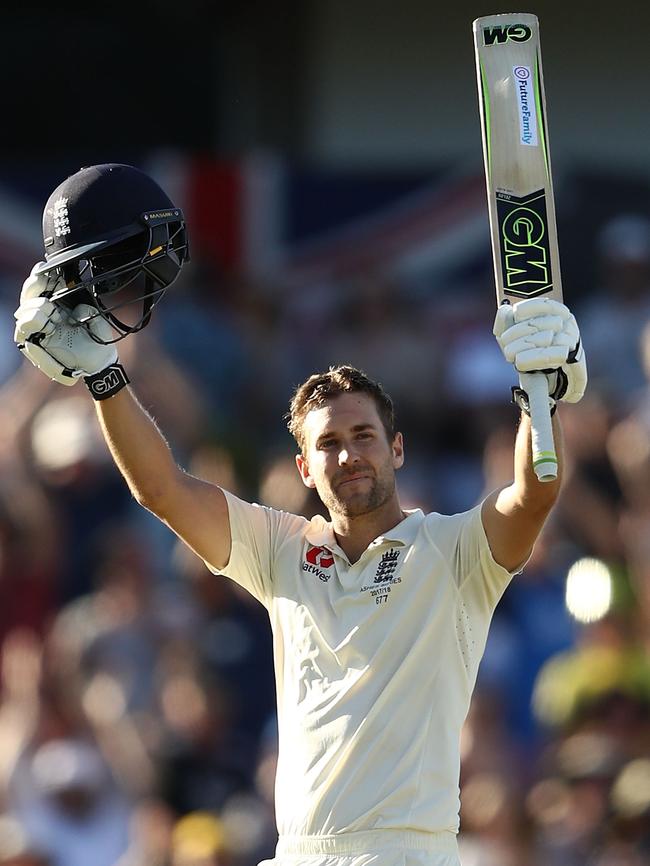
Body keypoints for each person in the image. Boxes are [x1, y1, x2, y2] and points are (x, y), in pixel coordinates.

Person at [13, 164, 587, 866]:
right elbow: (163, 489)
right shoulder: (282, 549)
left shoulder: (454, 553)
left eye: (365, 437)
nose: (349, 457)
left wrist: (541, 397)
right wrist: (106, 379)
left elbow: (532, 495)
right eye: (329, 445)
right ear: (305, 469)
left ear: (398, 449)